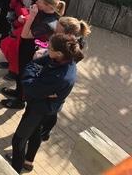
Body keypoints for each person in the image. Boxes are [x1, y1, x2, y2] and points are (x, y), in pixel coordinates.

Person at [8, 33, 84, 173]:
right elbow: (35, 64)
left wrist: (34, 72)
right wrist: (36, 72)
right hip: (43, 105)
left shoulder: (60, 76)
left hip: (39, 110)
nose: (46, 49)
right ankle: (28, 162)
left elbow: (29, 86)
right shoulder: (63, 58)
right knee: (35, 133)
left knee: (18, 140)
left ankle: (15, 169)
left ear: (59, 53)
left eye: (49, 48)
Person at [1, 0, 63, 110]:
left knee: (25, 75)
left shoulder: (48, 23)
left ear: (47, 5)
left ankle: (20, 101)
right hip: (27, 47)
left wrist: (31, 16)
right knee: (19, 72)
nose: (36, 3)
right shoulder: (43, 12)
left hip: (32, 51)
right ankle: (18, 92)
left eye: (39, 1)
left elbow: (25, 34)